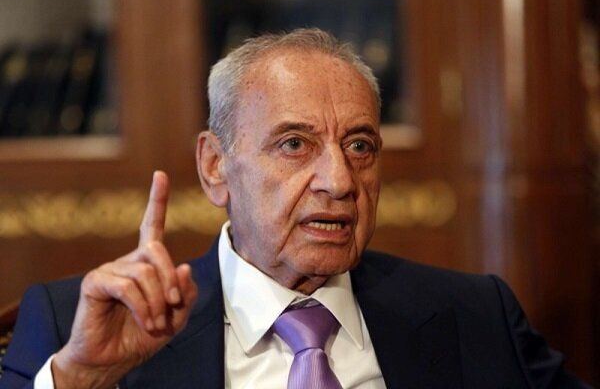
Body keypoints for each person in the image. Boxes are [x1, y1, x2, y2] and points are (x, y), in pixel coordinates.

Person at [0, 29, 589, 389]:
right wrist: (80, 380)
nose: (339, 181)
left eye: (360, 146)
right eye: (294, 144)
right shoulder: (75, 329)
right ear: (215, 166)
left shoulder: (475, 315)